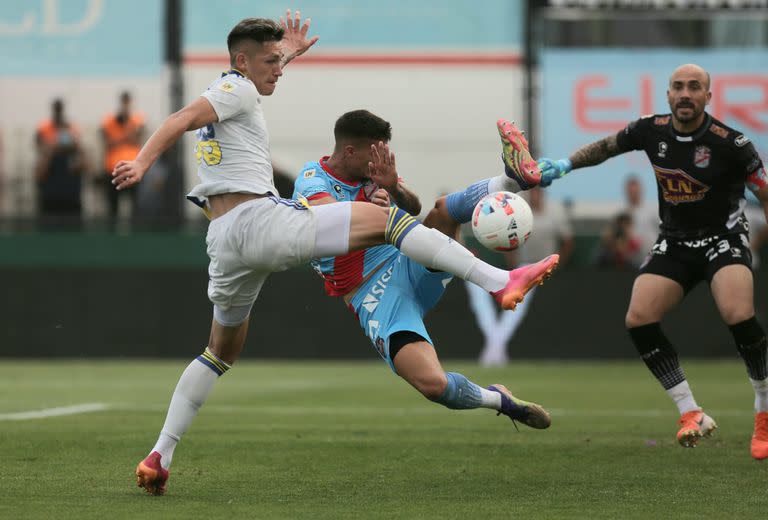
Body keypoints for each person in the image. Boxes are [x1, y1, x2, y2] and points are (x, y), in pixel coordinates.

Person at [112, 13, 559, 495]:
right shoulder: (237, 89)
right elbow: (181, 118)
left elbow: (240, 80)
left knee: (219, 352)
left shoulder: (237, 87)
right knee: (389, 226)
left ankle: (160, 455)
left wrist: (289, 53)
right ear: (242, 61)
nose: (276, 69)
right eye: (269, 60)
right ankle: (501, 280)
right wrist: (140, 161)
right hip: (260, 224)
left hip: (224, 241)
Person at [537, 63, 768, 458]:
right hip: (675, 242)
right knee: (639, 318)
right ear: (668, 94)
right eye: (678, 86)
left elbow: (764, 193)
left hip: (723, 239)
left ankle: (763, 410)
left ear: (707, 97)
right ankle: (690, 411)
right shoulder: (652, 129)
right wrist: (564, 165)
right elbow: (607, 147)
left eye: (694, 87)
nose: (685, 93)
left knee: (737, 313)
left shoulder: (733, 144)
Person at [292, 109, 558, 429]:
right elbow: (326, 218)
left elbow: (413, 207)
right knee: (433, 385)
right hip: (373, 294)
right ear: (349, 151)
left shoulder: (375, 173)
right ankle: (499, 399)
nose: (381, 160)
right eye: (374, 153)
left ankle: (510, 181)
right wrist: (367, 210)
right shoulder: (313, 178)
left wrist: (393, 187)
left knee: (443, 210)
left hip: (407, 260)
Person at [467, 187, 573, 365]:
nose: (534, 195)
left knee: (513, 301)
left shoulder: (554, 214)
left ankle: (495, 345)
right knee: (491, 295)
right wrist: (513, 265)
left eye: (538, 192)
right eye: (532, 192)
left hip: (543, 268)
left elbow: (568, 242)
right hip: (522, 269)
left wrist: (557, 265)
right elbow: (508, 241)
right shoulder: (519, 211)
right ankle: (496, 344)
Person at [34, 98, 86, 229]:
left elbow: (85, 165)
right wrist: (50, 149)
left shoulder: (72, 130)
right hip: (50, 198)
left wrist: (76, 146)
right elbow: (39, 173)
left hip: (71, 198)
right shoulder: (44, 130)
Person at [101, 91, 145, 227]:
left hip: (133, 169)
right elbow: (107, 143)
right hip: (113, 169)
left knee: (135, 208)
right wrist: (126, 136)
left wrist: (121, 137)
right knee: (112, 208)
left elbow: (137, 139)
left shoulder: (137, 120)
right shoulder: (110, 121)